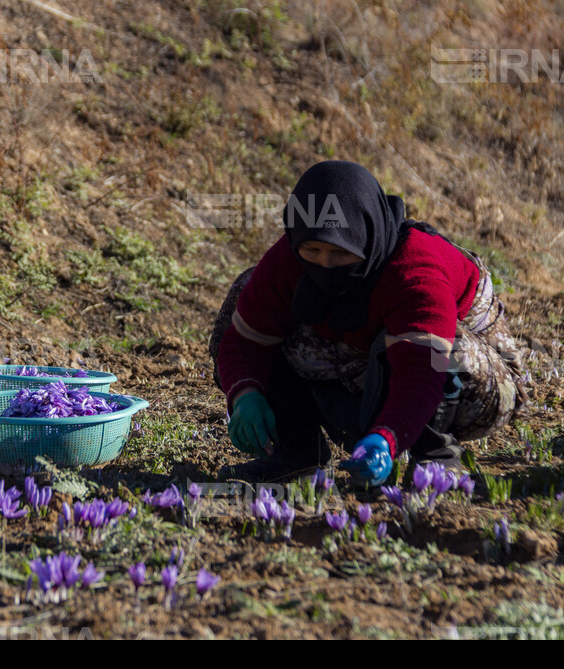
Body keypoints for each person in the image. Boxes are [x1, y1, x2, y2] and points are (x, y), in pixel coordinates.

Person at [212, 160, 528, 485]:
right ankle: (296, 454)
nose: (325, 263)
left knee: (444, 349)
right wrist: (245, 393)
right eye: (313, 249)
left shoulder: (415, 271)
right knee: (245, 294)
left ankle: (435, 457)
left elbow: (421, 372)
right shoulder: (289, 258)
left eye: (339, 253)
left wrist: (387, 438)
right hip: (369, 365)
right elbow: (243, 343)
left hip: (472, 387)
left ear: (364, 237)